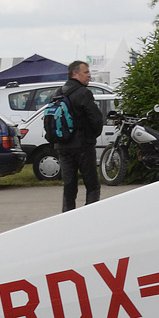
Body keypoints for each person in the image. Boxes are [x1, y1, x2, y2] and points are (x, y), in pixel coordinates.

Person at [54, 60, 104, 212]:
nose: (89, 75)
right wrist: (91, 136)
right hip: (83, 145)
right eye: (86, 72)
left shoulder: (58, 92)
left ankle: (67, 217)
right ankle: (89, 216)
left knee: (69, 185)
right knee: (92, 185)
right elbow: (96, 119)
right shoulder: (84, 93)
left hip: (63, 145)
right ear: (75, 74)